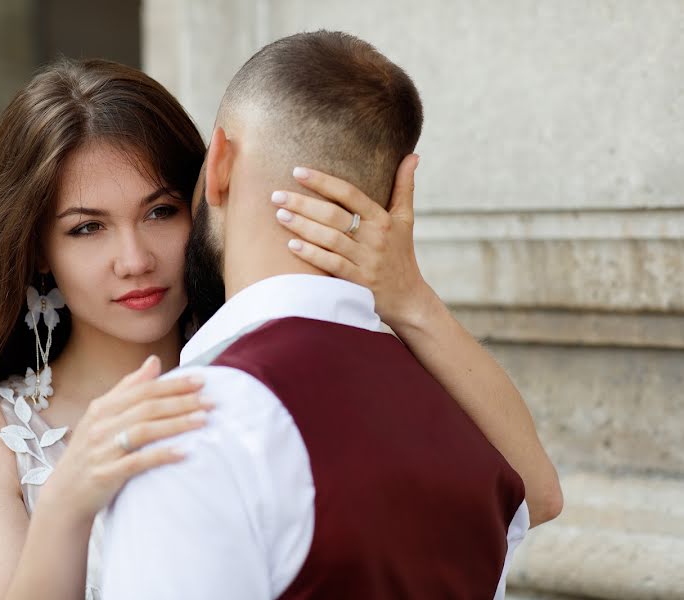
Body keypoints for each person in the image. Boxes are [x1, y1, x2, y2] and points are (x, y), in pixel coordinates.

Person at [0, 55, 558, 600]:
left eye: (160, 212)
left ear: (209, 192)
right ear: (38, 252)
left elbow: (536, 492)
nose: (134, 260)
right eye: (87, 228)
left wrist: (408, 298)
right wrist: (68, 502)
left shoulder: (266, 377)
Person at [100, 31, 562, 599]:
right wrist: (411, 298)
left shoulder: (191, 425)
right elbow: (539, 495)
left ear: (218, 163)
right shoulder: (463, 418)